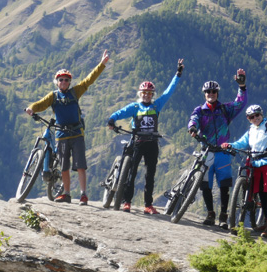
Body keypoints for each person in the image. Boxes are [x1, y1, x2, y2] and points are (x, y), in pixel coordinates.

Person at [25, 50, 110, 205]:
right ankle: (67, 194)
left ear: (69, 82)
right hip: (61, 134)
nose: (63, 82)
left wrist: (102, 64)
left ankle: (83, 194)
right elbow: (40, 104)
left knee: (81, 166)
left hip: (77, 133)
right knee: (64, 166)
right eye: (61, 80)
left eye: (66, 80)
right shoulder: (53, 96)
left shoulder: (75, 92)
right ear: (57, 82)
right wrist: (31, 108)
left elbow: (88, 80)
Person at [107, 59, 184, 214]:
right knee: (132, 172)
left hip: (152, 143)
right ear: (140, 94)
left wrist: (178, 75)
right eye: (144, 93)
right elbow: (120, 113)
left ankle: (148, 205)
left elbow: (169, 92)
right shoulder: (135, 107)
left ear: (152, 95)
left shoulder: (157, 105)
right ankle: (126, 202)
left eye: (149, 94)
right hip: (137, 142)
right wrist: (112, 119)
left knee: (150, 175)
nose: (147, 96)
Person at [187, 69, 248, 228]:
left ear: (217, 93)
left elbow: (240, 103)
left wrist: (242, 86)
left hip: (223, 153)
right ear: (204, 94)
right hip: (207, 151)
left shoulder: (224, 109)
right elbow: (193, 120)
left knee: (224, 185)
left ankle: (223, 216)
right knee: (205, 184)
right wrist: (193, 128)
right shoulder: (200, 111)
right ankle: (210, 214)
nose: (211, 94)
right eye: (208, 91)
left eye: (214, 91)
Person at [222, 101, 267, 237]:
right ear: (248, 119)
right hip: (256, 164)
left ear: (261, 115)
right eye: (251, 117)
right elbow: (241, 143)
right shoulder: (251, 131)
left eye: (257, 115)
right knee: (261, 193)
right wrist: (229, 145)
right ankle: (264, 222)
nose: (255, 118)